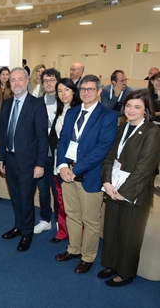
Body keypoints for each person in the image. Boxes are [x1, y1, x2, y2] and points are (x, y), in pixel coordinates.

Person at [55, 75, 118, 274]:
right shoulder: (72, 112)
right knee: (72, 215)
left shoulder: (108, 116)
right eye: (83, 89)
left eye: (91, 89)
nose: (86, 92)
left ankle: (88, 256)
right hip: (67, 174)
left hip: (89, 176)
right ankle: (74, 249)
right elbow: (63, 139)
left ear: (99, 91)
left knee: (90, 220)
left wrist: (76, 170)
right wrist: (63, 165)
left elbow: (101, 149)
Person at [99, 89, 160, 287]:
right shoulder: (122, 128)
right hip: (113, 187)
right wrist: (107, 183)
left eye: (137, 107)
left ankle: (126, 273)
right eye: (128, 106)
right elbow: (109, 158)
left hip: (135, 193)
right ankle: (111, 264)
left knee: (129, 234)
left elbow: (144, 169)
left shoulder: (152, 131)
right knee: (112, 229)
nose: (131, 110)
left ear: (146, 110)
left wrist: (122, 192)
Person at [0, 67, 48, 252]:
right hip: (9, 160)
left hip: (29, 163)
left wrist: (40, 164)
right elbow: (3, 133)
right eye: (13, 80)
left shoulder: (37, 104)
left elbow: (42, 138)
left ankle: (27, 234)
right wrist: (1, 159)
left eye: (20, 79)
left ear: (27, 82)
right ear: (9, 83)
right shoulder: (7, 104)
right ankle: (19, 226)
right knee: (16, 197)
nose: (16, 83)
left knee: (26, 199)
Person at [48, 78, 82, 243]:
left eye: (66, 90)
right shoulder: (61, 111)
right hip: (59, 161)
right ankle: (62, 231)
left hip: (74, 163)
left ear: (74, 91)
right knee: (60, 200)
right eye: (59, 91)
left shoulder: (80, 111)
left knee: (75, 204)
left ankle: (78, 236)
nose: (63, 94)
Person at [34, 68, 61, 235]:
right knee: (43, 190)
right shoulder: (37, 103)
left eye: (52, 80)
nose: (49, 83)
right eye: (45, 81)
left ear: (58, 81)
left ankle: (60, 221)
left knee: (58, 191)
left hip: (60, 155)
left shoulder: (66, 102)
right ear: (42, 84)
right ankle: (45, 220)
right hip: (42, 155)